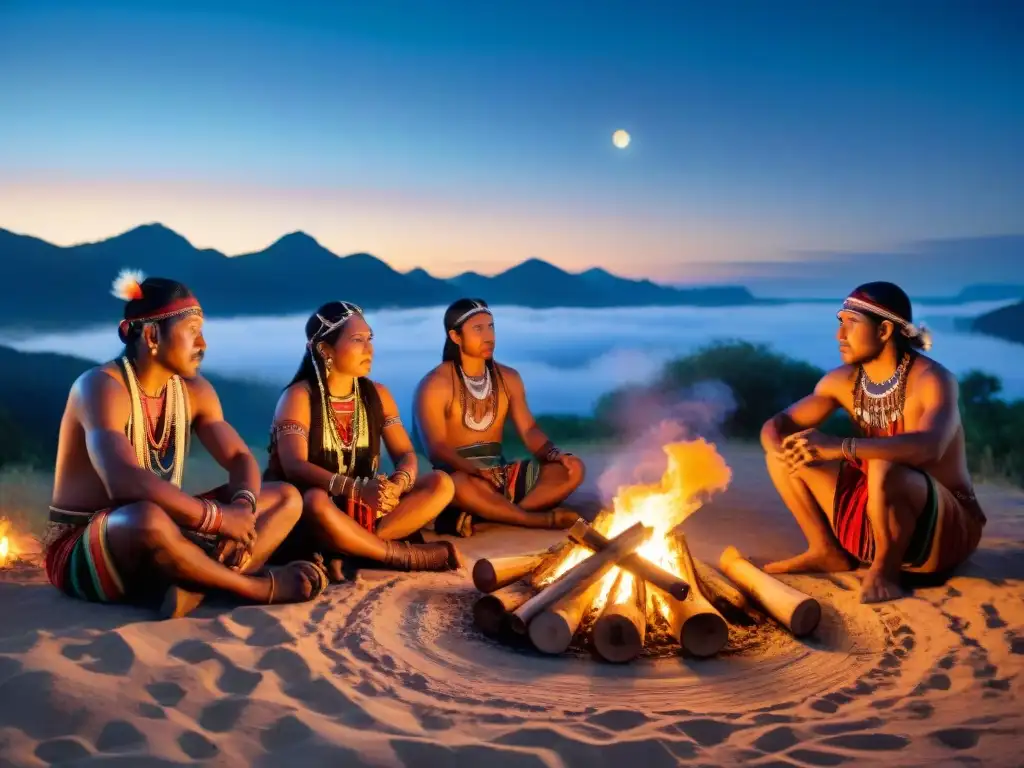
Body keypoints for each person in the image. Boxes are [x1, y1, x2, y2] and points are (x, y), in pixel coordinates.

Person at [46, 270, 326, 618]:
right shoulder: (100, 387)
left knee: (285, 496)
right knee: (145, 519)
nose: (203, 344)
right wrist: (218, 520)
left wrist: (243, 507)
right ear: (151, 334)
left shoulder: (196, 392)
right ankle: (250, 586)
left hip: (167, 528)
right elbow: (125, 482)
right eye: (193, 332)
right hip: (89, 546)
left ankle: (193, 583)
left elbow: (239, 457)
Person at [760, 281, 986, 603]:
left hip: (944, 532)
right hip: (872, 518)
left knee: (883, 464)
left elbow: (930, 446)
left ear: (883, 331)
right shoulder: (842, 381)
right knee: (787, 450)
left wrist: (841, 446)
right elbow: (780, 423)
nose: (840, 336)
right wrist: (775, 444)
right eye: (840, 323)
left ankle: (886, 574)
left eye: (851, 325)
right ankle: (827, 551)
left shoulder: (933, 380)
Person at [265, 301, 461, 573]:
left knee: (441, 483)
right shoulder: (299, 396)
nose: (369, 349)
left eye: (370, 339)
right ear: (325, 349)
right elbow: (294, 466)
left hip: (366, 508)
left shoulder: (378, 394)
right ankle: (396, 555)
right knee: (315, 501)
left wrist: (397, 485)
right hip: (314, 513)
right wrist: (356, 489)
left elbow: (405, 454)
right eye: (357, 340)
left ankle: (352, 548)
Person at [413, 298, 585, 537]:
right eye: (478, 328)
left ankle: (494, 519)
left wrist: (555, 454)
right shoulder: (434, 385)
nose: (488, 336)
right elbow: (436, 449)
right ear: (455, 336)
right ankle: (536, 520)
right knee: (456, 485)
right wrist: (475, 471)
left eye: (491, 326)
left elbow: (529, 430)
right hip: (463, 477)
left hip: (501, 475)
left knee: (572, 468)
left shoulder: (509, 378)